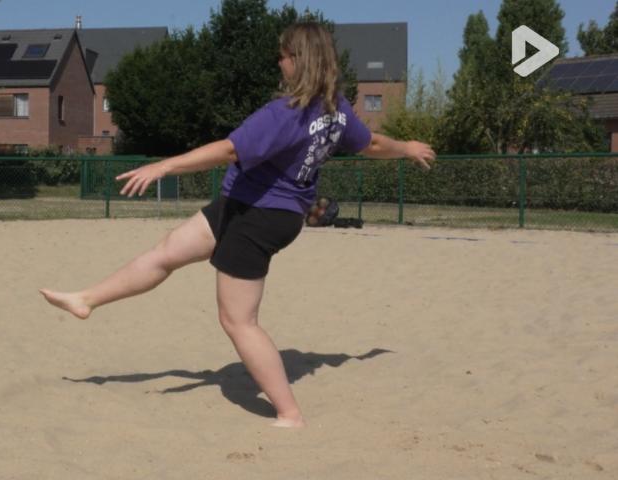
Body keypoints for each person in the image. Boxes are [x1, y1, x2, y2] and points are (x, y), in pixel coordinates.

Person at [40, 22, 435, 428]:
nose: (278, 63)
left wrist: (165, 165)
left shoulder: (285, 114)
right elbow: (370, 143)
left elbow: (229, 149)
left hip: (260, 217)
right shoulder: (335, 108)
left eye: (281, 56)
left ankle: (289, 413)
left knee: (237, 321)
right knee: (168, 251)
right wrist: (408, 148)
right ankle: (86, 300)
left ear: (297, 61)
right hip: (246, 204)